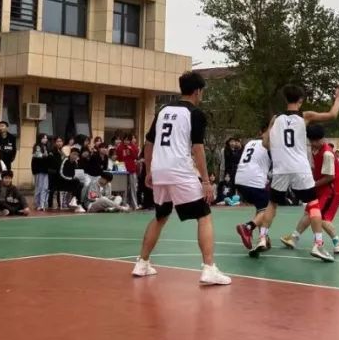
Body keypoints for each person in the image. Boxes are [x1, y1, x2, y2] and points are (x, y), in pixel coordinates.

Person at [132, 71, 230, 285]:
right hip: (180, 170)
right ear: (198, 91)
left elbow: (148, 143)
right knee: (204, 215)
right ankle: (209, 268)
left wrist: (149, 171)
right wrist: (206, 181)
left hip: (160, 170)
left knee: (161, 216)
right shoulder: (195, 114)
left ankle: (142, 263)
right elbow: (197, 148)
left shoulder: (163, 110)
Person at [264, 84, 339, 262]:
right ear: (301, 100)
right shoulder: (305, 116)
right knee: (313, 206)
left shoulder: (276, 119)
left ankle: (263, 237)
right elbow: (332, 115)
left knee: (273, 204)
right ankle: (319, 244)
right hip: (300, 168)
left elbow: (265, 143)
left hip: (281, 168)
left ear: (285, 99)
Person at [280, 126, 339, 254]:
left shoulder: (327, 154)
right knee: (310, 212)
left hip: (334, 189)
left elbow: (330, 177)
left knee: (321, 218)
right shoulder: (314, 149)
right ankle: (294, 238)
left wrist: (312, 184)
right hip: (322, 186)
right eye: (311, 141)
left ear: (322, 139)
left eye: (315, 141)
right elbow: (314, 168)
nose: (312, 144)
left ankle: (338, 243)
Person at [234, 121, 273, 256]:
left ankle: (263, 238)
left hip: (239, 180)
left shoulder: (251, 143)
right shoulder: (270, 145)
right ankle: (248, 227)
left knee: (260, 209)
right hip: (254, 181)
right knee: (268, 209)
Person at [115, 134, 140, 208]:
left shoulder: (133, 147)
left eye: (128, 140)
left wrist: (131, 149)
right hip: (123, 170)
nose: (127, 142)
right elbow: (118, 159)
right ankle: (124, 203)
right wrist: (120, 169)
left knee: (133, 187)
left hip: (132, 169)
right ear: (123, 140)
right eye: (125, 140)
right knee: (124, 187)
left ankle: (134, 204)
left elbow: (135, 157)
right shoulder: (120, 147)